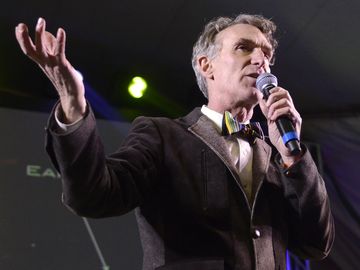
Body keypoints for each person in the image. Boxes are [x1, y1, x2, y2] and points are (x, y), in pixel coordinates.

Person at [15, 14, 334, 270]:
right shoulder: (162, 135)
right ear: (206, 65)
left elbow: (316, 244)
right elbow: (94, 195)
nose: (260, 59)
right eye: (244, 48)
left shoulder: (281, 156)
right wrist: (73, 105)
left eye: (266, 54)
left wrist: (295, 157)